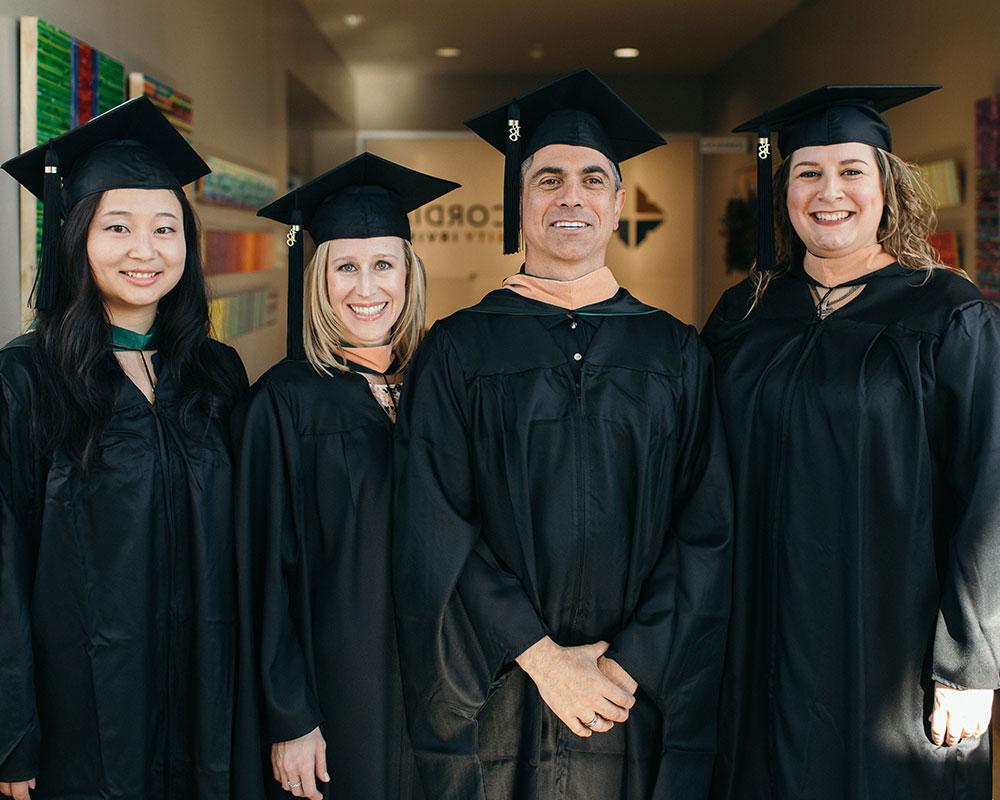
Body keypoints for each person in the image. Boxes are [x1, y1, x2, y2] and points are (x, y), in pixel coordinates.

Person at [393, 69, 733, 800]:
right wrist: (544, 659)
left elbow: (708, 529)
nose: (569, 196)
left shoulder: (674, 353)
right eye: (547, 179)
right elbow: (432, 520)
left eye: (591, 180)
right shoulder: (457, 350)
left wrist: (625, 665)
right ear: (519, 204)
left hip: (631, 699)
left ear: (617, 206)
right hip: (500, 694)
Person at [704, 85, 1000, 799]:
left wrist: (969, 665)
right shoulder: (744, 316)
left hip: (891, 642)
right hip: (760, 636)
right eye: (808, 172)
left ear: (886, 185)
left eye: (851, 171)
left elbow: (988, 494)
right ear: (785, 191)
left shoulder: (947, 314)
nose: (828, 191)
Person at [0, 97, 249, 800]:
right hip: (82, 719)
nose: (146, 250)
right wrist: (13, 736)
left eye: (165, 228)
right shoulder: (25, 380)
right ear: (75, 236)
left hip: (207, 701)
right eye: (118, 226)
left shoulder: (216, 372)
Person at [232, 152, 459, 800]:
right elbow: (261, 577)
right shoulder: (280, 405)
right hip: (336, 706)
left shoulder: (437, 386)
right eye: (346, 267)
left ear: (409, 274)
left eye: (383, 264)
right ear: (317, 278)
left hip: (438, 700)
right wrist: (290, 716)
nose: (367, 289)